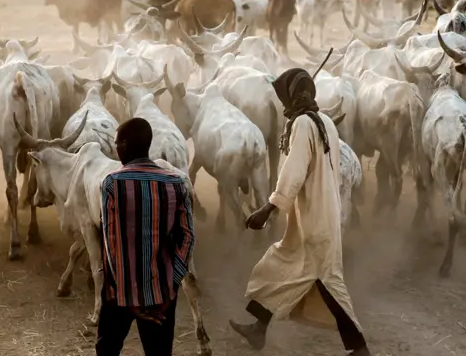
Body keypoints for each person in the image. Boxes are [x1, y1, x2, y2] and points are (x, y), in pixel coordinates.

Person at [229, 68, 372, 356]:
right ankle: (258, 329)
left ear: (291, 97)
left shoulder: (303, 125)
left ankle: (360, 348)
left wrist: (267, 209)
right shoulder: (325, 122)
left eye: (284, 97)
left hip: (313, 219)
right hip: (320, 213)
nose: (283, 104)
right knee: (280, 266)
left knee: (329, 282)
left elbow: (293, 171)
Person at [96, 118, 196, 356]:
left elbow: (111, 243)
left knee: (107, 349)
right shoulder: (177, 184)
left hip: (117, 293)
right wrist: (171, 284)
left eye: (117, 143)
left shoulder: (111, 183)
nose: (116, 148)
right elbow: (188, 238)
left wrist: (129, 295)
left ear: (126, 145)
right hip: (160, 292)